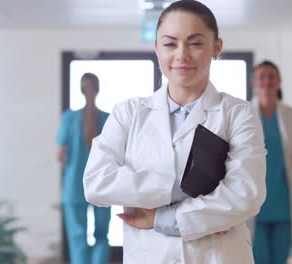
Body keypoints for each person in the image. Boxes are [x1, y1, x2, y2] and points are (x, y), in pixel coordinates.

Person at [83, 1, 267, 263]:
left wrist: (162, 217)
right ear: (156, 48)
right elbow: (96, 182)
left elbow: (246, 195)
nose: (181, 55)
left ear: (217, 47)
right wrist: (175, 189)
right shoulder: (128, 113)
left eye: (195, 43)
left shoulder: (238, 113)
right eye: (170, 44)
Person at [251, 60, 292, 264]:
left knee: (279, 259)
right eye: (262, 76)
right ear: (254, 82)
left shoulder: (291, 115)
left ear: (279, 81)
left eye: (271, 76)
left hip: (284, 204)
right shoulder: (244, 114)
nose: (267, 81)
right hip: (255, 206)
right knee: (258, 258)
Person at [56, 73, 111, 264]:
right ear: (98, 89)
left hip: (73, 187)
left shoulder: (68, 118)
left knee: (78, 236)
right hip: (102, 185)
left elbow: (59, 155)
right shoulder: (108, 119)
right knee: (102, 235)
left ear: (81, 90)